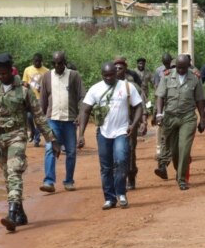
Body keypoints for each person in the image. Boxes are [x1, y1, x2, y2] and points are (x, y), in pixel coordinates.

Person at [0, 53, 60, 232]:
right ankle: (20, 213)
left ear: (11, 71)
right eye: (0, 73)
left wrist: (51, 139)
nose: (3, 76)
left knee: (14, 171)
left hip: (17, 136)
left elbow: (38, 117)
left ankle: (12, 213)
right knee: (8, 177)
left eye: (5, 73)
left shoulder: (24, 91)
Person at [78, 62, 143, 209]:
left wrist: (133, 125)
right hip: (103, 133)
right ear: (102, 75)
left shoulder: (127, 87)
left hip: (122, 131)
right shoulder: (96, 89)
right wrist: (81, 134)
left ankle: (121, 193)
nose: (109, 78)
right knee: (106, 167)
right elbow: (86, 110)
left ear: (116, 73)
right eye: (106, 75)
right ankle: (109, 198)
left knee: (121, 160)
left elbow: (138, 106)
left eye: (111, 74)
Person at [154, 55, 205, 190]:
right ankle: (178, 170)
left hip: (187, 117)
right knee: (174, 150)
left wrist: (203, 118)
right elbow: (160, 96)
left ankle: (182, 179)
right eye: (178, 67)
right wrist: (159, 114)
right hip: (170, 117)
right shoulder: (167, 77)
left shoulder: (195, 78)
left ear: (188, 66)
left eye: (184, 67)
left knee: (184, 148)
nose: (181, 70)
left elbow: (200, 99)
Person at [38, 51, 85, 193]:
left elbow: (82, 96)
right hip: (52, 119)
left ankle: (69, 181)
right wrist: (41, 121)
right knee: (50, 149)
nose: (57, 65)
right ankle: (49, 182)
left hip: (70, 120)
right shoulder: (47, 77)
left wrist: (80, 114)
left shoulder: (74, 76)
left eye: (60, 63)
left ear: (65, 62)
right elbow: (43, 100)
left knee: (71, 151)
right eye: (55, 63)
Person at [114, 57, 148, 190]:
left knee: (130, 151)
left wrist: (143, 121)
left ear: (125, 69)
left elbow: (142, 105)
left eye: (120, 68)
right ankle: (117, 178)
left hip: (130, 124)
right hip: (113, 124)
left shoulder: (132, 87)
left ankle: (131, 176)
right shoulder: (109, 84)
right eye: (115, 68)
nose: (117, 70)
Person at [22, 53, 48, 147]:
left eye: (39, 61)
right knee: (29, 117)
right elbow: (24, 81)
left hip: (41, 98)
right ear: (33, 61)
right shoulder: (27, 70)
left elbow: (48, 85)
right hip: (29, 98)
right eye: (35, 61)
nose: (37, 63)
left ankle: (37, 139)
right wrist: (26, 84)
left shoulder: (47, 71)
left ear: (42, 61)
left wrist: (43, 89)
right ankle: (32, 131)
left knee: (38, 119)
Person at [153, 53, 174, 163]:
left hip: (172, 102)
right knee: (160, 126)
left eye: (168, 62)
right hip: (162, 100)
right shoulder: (158, 71)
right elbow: (156, 87)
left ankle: (170, 150)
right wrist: (156, 109)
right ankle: (159, 150)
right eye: (165, 63)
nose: (167, 64)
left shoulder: (175, 69)